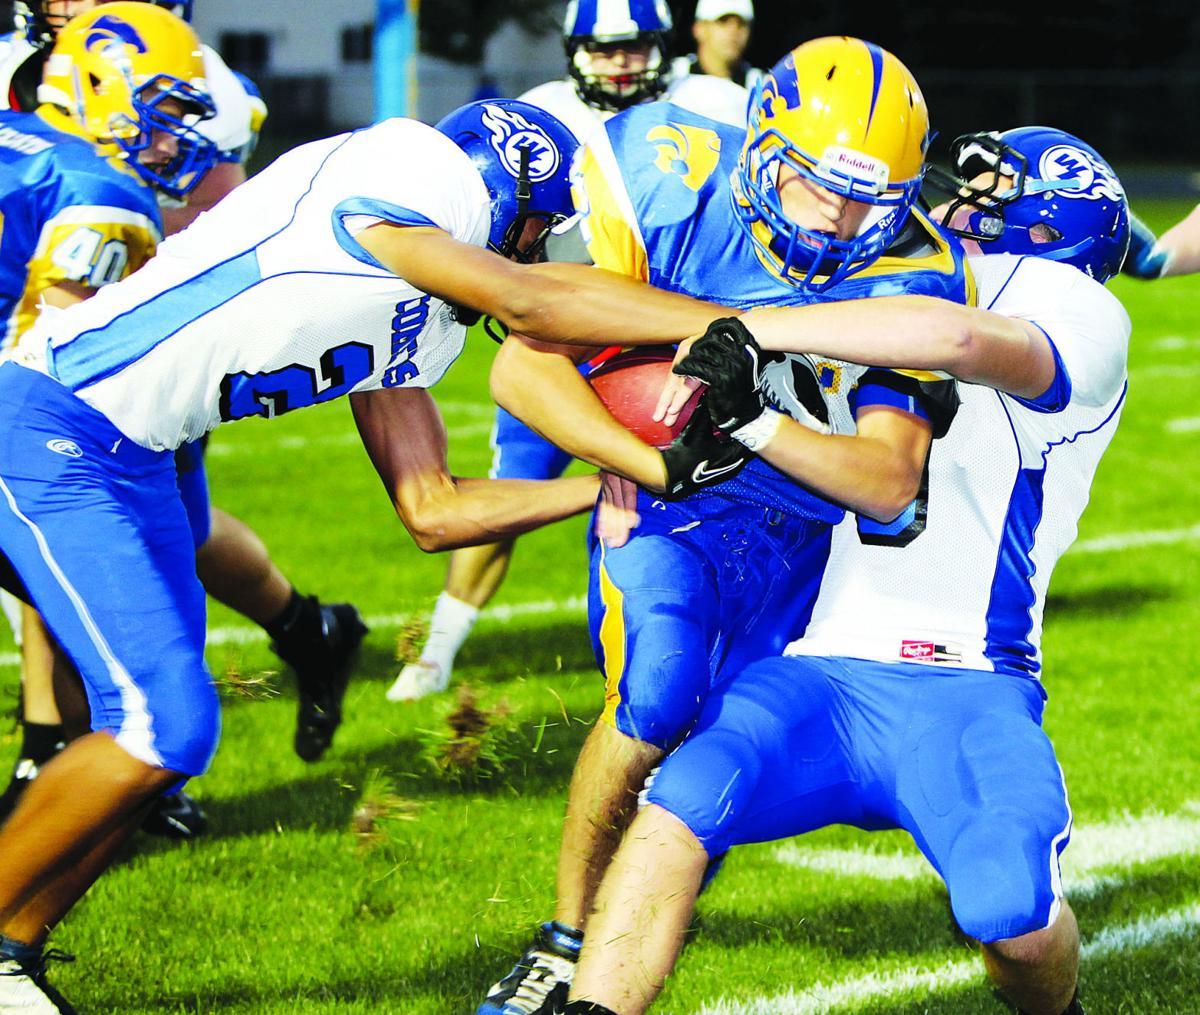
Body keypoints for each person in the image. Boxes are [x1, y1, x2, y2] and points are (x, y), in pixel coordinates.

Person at [0, 74, 761, 1008]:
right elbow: (534, 302)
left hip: (140, 455)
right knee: (163, 724)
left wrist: (608, 486)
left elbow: (433, 510)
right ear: (507, 190)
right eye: (533, 228)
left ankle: (16, 953)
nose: (533, 248)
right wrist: (744, 327)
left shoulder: (416, 296)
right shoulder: (401, 173)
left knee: (173, 742)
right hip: (54, 425)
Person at [563, 126, 1131, 1015]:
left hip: (967, 678)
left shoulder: (1075, 308)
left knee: (1008, 913)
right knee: (679, 804)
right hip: (823, 666)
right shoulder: (873, 281)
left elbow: (958, 339)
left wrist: (746, 329)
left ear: (1052, 226)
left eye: (988, 190)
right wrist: (628, 439)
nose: (952, 199)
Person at [474, 37, 973, 1015]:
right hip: (674, 499)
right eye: (815, 184)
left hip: (812, 534)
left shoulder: (916, 264)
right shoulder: (663, 182)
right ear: (761, 148)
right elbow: (521, 369)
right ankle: (565, 934)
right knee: (655, 698)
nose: (839, 216)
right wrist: (640, 463)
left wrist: (754, 414)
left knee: (754, 745)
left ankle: (652, 909)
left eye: (871, 199)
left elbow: (883, 479)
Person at [0, 0, 364, 843]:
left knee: (156, 542)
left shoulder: (174, 92)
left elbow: (210, 223)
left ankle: (129, 749)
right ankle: (76, 743)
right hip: (60, 354)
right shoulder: (52, 91)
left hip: (133, 356)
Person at [390, 0, 753, 702]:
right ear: (573, 50)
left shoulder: (705, 100)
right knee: (517, 475)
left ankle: (661, 664)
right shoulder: (542, 114)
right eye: (604, 47)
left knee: (653, 505)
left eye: (637, 46)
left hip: (657, 342)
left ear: (663, 47)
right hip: (560, 336)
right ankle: (436, 650)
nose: (621, 62)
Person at [673, 0, 762, 90]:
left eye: (741, 24)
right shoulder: (672, 75)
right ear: (699, 28)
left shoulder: (761, 86)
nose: (733, 30)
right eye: (723, 21)